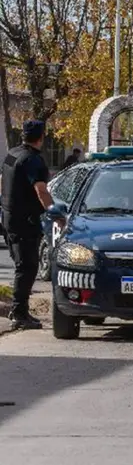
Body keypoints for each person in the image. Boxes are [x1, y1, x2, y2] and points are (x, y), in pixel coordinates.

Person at [1, 121, 58, 330]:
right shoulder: (33, 161)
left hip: (9, 219)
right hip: (25, 223)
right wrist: (55, 213)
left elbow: (3, 181)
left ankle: (19, 310)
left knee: (21, 266)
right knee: (27, 267)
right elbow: (41, 191)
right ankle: (19, 313)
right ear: (41, 137)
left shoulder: (12, 154)